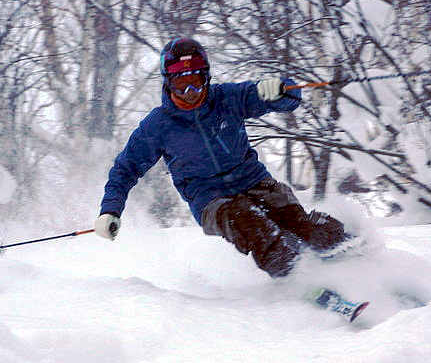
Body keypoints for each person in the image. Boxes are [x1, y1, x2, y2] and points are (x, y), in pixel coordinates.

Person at [94, 36, 348, 277]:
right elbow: (125, 170)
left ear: (206, 77)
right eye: (181, 83)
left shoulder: (227, 99)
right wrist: (110, 210)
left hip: (257, 183)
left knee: (299, 225)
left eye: (196, 80)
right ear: (168, 83)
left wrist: (282, 90)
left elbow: (287, 100)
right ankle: (297, 275)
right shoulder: (159, 125)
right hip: (211, 200)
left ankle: (352, 257)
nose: (191, 91)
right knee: (248, 218)